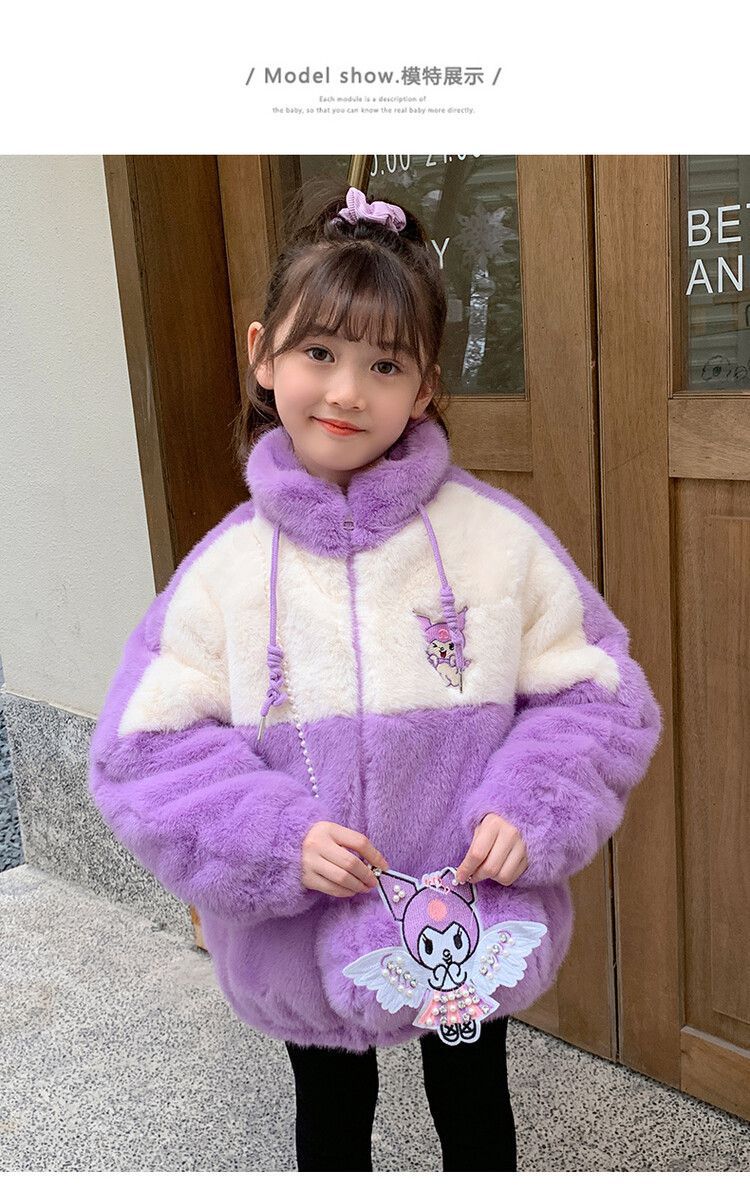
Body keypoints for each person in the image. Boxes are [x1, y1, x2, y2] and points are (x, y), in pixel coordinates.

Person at [88, 183, 663, 1173]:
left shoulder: (495, 544)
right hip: (300, 941)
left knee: (475, 1103)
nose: (347, 391)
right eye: (319, 352)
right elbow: (141, 753)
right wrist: (275, 837)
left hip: (465, 920)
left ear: (425, 384)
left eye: (384, 364)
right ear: (264, 354)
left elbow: (601, 696)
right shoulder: (227, 573)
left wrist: (531, 805)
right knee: (330, 1111)